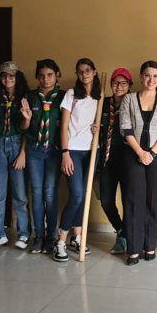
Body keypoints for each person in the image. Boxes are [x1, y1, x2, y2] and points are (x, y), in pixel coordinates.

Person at [120, 61, 157, 265]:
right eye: (147, 75)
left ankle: (149, 246)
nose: (151, 80)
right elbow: (125, 129)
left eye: (155, 76)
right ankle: (133, 249)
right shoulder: (129, 99)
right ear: (141, 77)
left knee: (153, 200)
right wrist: (140, 153)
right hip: (133, 153)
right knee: (134, 201)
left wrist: (150, 153)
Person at [54, 58, 101, 262]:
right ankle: (61, 241)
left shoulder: (101, 96)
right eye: (80, 71)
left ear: (95, 72)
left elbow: (102, 122)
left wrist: (97, 128)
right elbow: (63, 126)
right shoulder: (71, 95)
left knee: (85, 195)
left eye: (88, 70)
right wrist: (65, 152)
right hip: (72, 149)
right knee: (77, 196)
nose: (84, 74)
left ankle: (78, 237)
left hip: (92, 150)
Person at [0, 61, 31, 250]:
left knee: (19, 194)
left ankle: (24, 233)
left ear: (17, 77)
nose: (8, 79)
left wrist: (23, 153)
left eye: (11, 75)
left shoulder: (24, 97)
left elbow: (26, 129)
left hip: (17, 144)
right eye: (4, 75)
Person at [25, 59, 64, 255]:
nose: (45, 79)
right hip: (34, 149)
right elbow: (24, 127)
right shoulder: (31, 97)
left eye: (50, 74)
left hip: (55, 151)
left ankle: (51, 237)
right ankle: (38, 236)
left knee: (50, 192)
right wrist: (26, 118)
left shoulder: (65, 97)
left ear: (57, 75)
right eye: (41, 75)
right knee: (37, 193)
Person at [97, 68, 133, 255]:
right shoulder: (103, 104)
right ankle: (121, 229)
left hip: (127, 158)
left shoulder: (133, 104)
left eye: (123, 83)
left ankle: (125, 237)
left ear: (129, 86)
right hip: (107, 158)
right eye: (116, 83)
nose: (119, 86)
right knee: (106, 200)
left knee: (128, 200)